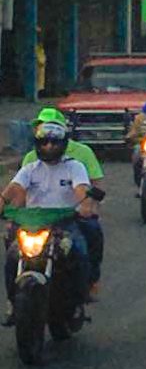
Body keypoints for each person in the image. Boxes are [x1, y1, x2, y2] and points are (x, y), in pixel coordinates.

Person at [2, 122, 96, 323]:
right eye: (44, 142)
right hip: (32, 224)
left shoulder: (74, 167)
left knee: (80, 249)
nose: (49, 147)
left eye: (54, 143)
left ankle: (80, 299)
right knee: (11, 257)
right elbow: (12, 189)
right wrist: (2, 202)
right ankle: (13, 303)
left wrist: (85, 203)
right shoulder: (30, 169)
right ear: (37, 144)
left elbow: (82, 189)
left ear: (63, 144)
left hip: (64, 224)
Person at [20, 108, 106, 294]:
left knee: (91, 234)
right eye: (42, 130)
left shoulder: (80, 156)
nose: (49, 142)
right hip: (36, 219)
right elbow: (18, 190)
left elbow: (93, 183)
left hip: (69, 216)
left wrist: (88, 206)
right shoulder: (30, 158)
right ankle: (14, 299)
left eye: (54, 135)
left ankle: (88, 283)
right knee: (12, 248)